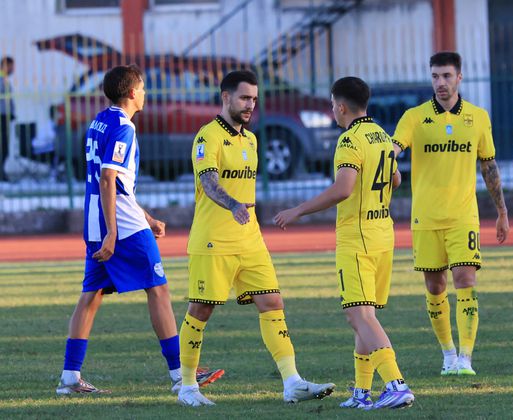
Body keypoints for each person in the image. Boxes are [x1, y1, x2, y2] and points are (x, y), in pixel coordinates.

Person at [56, 65, 223, 395]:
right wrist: (114, 232)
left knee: (91, 295)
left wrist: (147, 218)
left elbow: (115, 184)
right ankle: (180, 373)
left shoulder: (99, 121)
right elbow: (108, 179)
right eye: (143, 88)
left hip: (98, 221)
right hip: (121, 227)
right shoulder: (123, 127)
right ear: (132, 93)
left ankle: (70, 377)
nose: (145, 93)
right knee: (158, 289)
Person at [176, 70, 335, 407]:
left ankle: (292, 382)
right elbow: (208, 182)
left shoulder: (251, 139)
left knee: (272, 302)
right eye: (244, 98)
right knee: (201, 310)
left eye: (254, 99)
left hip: (250, 240)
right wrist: (233, 204)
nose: (250, 105)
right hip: (213, 240)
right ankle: (187, 387)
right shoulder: (207, 137)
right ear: (226, 97)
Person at [274, 77, 415, 410]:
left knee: (358, 316)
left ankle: (396, 383)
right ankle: (361, 392)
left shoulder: (350, 140)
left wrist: (298, 210)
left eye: (331, 105)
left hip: (358, 237)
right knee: (364, 315)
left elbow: (343, 189)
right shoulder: (381, 135)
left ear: (340, 106)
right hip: (383, 234)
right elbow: (396, 178)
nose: (332, 111)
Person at [391, 52, 509, 376]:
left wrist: (501, 211)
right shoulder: (414, 117)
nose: (440, 83)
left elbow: (489, 166)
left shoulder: (478, 117)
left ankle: (466, 359)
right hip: (425, 217)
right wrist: (387, 158)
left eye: (446, 76)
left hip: (463, 216)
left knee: (466, 279)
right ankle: (448, 355)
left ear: (459, 77)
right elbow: (394, 148)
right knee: (435, 287)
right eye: (435, 76)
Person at [0, 56, 15, 181]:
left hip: (5, 116)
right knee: (2, 146)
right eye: (11, 66)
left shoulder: (4, 79)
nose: (13, 69)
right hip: (2, 116)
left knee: (4, 146)